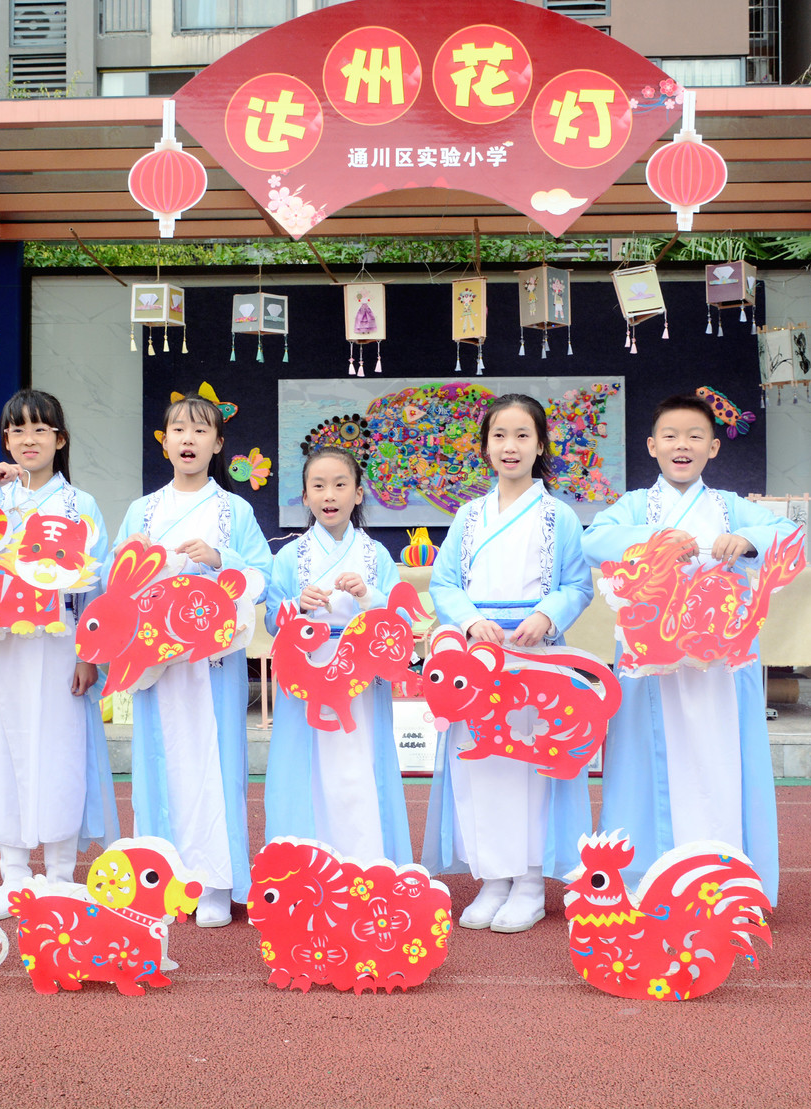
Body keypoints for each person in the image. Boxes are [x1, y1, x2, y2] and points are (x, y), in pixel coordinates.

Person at [581, 394, 795, 901]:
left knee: (722, 760)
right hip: (651, 658)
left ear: (713, 448)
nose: (683, 445)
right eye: (671, 436)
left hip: (720, 660)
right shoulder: (636, 506)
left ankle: (728, 878)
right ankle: (643, 878)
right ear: (651, 446)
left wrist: (746, 539)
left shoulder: (730, 507)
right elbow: (593, 541)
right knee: (641, 761)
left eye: (695, 436)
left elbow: (786, 533)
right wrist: (655, 539)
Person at [0, 389, 118, 919]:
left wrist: (89, 654)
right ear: (6, 440)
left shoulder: (80, 505)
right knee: (3, 750)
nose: (28, 440)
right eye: (17, 430)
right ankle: (13, 875)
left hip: (60, 644)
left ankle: (59, 876)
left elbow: (98, 586)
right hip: (2, 645)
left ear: (60, 439)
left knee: (61, 753)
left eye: (40, 430)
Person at [422, 394, 595, 934]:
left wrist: (547, 616)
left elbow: (578, 585)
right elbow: (444, 583)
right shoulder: (468, 515)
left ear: (540, 445)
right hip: (478, 659)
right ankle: (493, 878)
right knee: (481, 763)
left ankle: (530, 883)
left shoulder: (559, 516)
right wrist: (471, 621)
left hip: (535, 656)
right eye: (499, 435)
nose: (510, 446)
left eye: (523, 435)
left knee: (532, 763)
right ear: (485, 446)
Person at [114, 393, 272, 927]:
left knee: (215, 767)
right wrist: (135, 564)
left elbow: (262, 575)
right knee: (158, 763)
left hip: (212, 663)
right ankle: (160, 879)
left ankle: (216, 883)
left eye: (201, 430)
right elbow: (116, 580)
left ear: (218, 444)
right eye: (178, 429)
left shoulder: (235, 510)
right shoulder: (142, 510)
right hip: (156, 662)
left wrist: (221, 559)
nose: (188, 438)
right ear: (165, 442)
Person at [263, 446, 414, 865]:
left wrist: (370, 596)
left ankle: (366, 863)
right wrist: (298, 604)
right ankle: (308, 864)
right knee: (307, 768)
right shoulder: (290, 556)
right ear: (305, 496)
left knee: (359, 766)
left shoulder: (375, 555)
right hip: (307, 676)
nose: (329, 495)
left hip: (360, 678)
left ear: (358, 493)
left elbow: (400, 622)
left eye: (340, 484)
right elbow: (272, 620)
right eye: (318, 486)